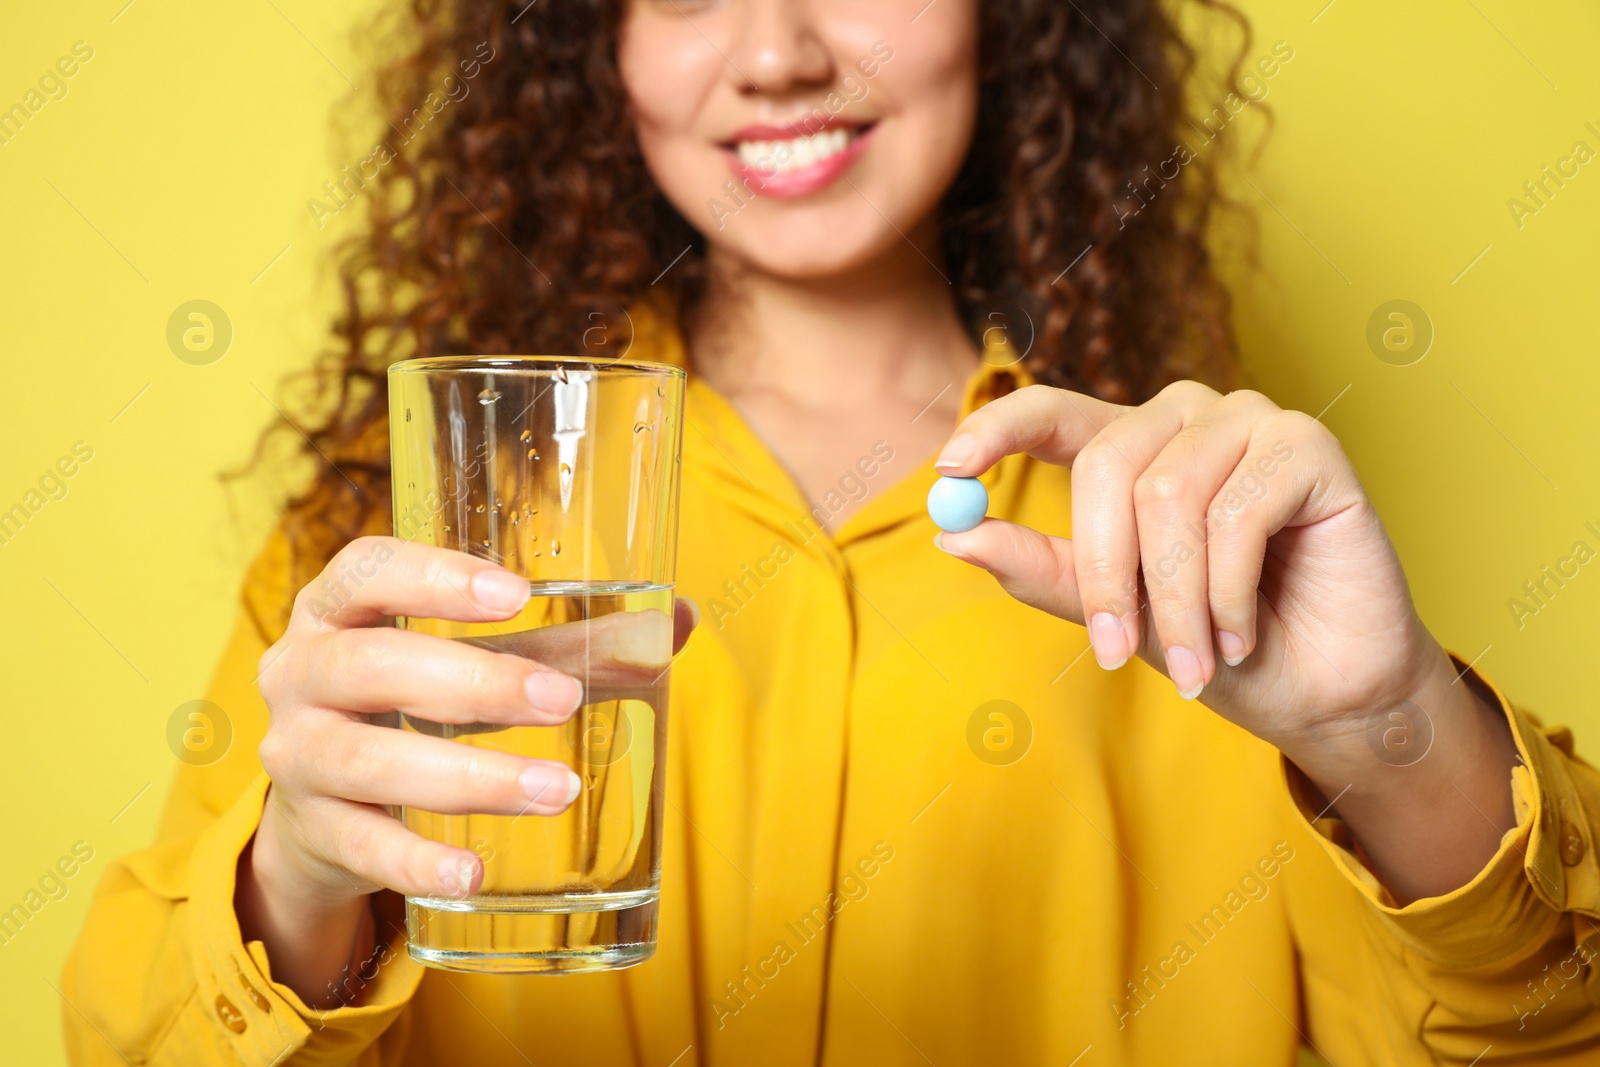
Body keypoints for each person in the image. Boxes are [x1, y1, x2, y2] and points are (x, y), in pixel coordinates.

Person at [64, 1, 1600, 1064]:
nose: (782, 50)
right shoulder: (401, 536)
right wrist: (301, 887)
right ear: (595, 47)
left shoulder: (1198, 545)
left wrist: (1394, 729)